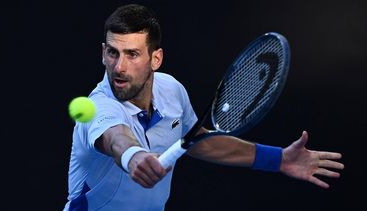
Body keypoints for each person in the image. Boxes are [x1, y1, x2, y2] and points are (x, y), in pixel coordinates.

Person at [63, 4, 344, 211]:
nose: (119, 67)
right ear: (103, 53)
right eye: (112, 53)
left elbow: (199, 143)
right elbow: (117, 139)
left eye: (132, 54)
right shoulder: (98, 106)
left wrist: (278, 159)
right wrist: (135, 158)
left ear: (156, 58)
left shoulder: (171, 90)